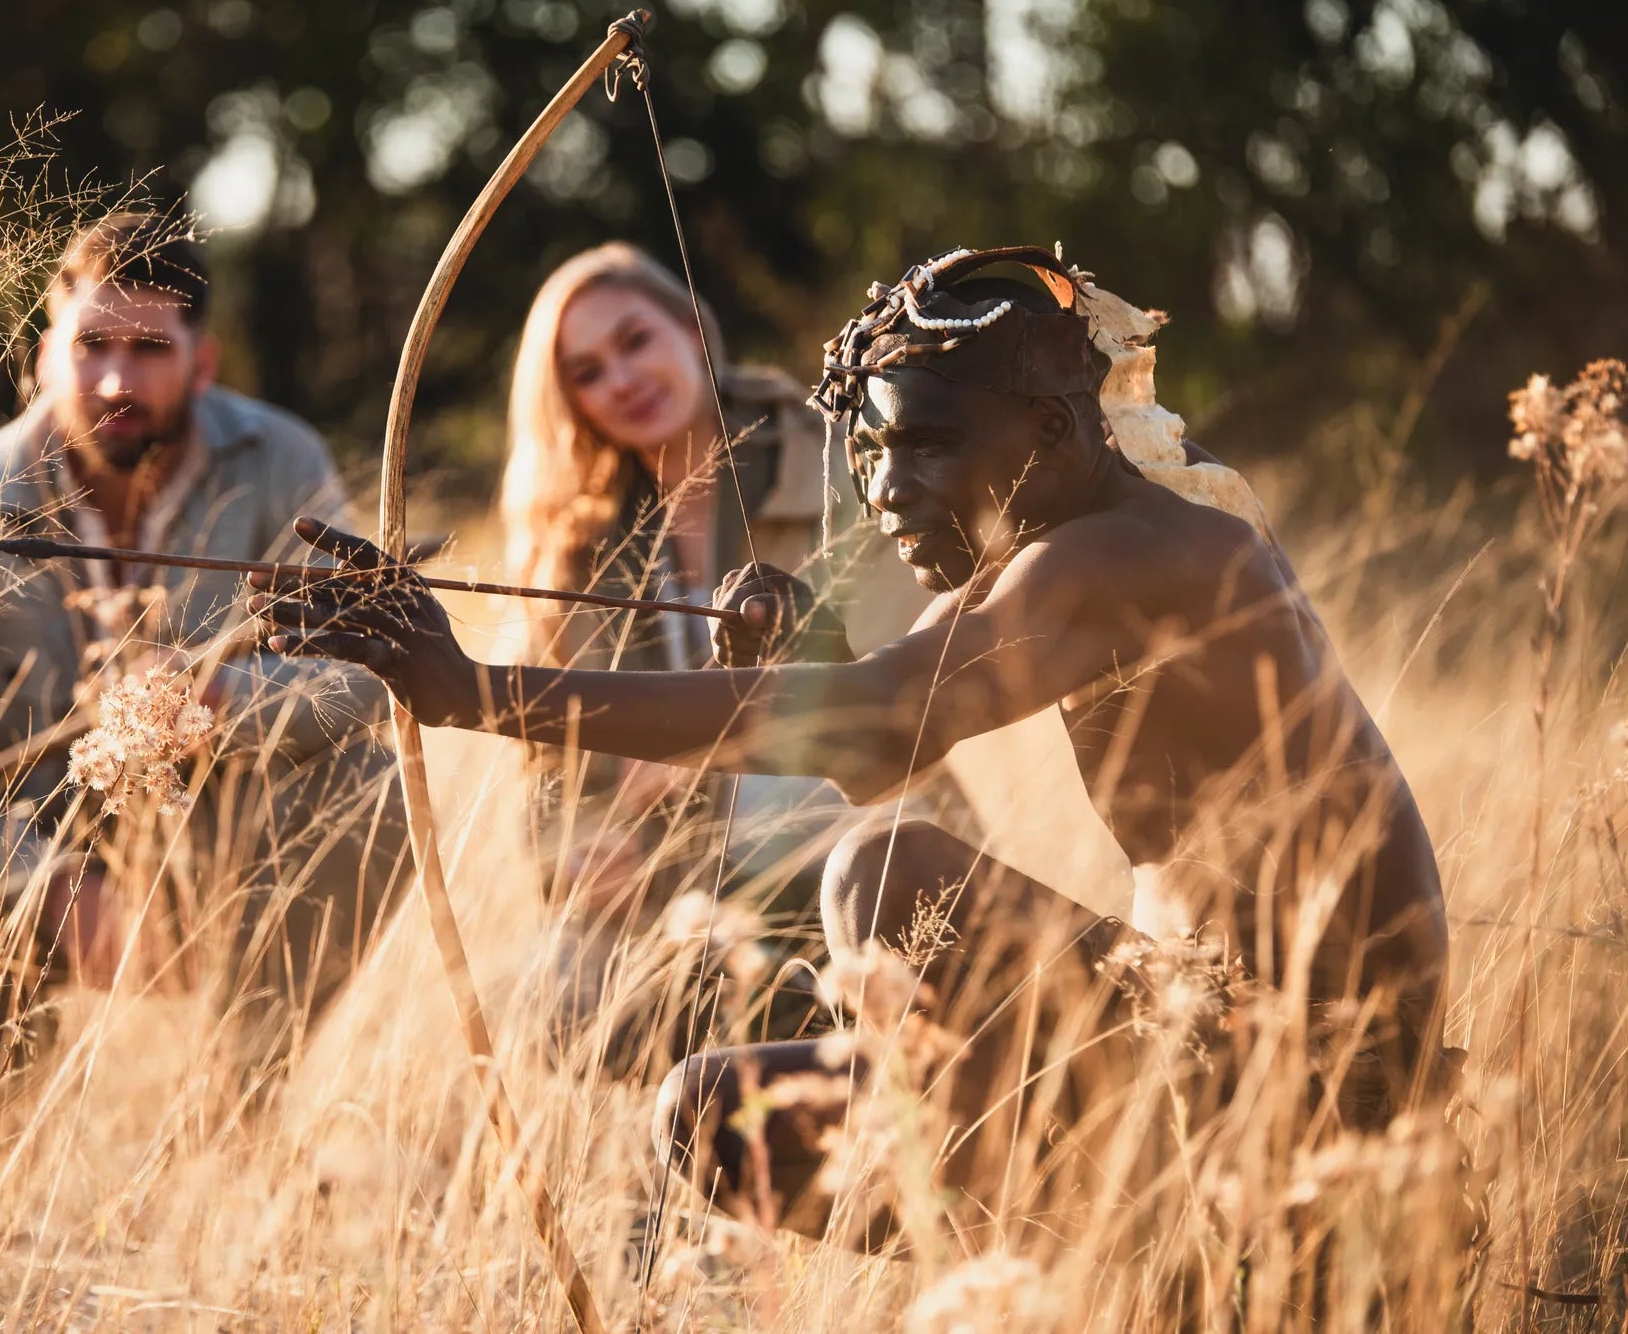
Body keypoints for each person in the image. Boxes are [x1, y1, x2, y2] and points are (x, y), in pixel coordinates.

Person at [245, 245, 1452, 1245]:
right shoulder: (1070, 533)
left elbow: (880, 720)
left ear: (1044, 429)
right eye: (873, 451)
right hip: (1193, 1038)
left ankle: (1169, 1264)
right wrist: (778, 665)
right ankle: (1120, 1275)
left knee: (876, 875)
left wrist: (469, 691)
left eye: (923, 446)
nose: (882, 492)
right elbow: (868, 738)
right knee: (712, 1108)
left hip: (1314, 1081)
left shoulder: (1130, 550)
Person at [0, 212, 406, 1037]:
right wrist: (42, 881)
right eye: (92, 345)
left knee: (370, 787)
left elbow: (364, 667)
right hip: (7, 851)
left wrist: (225, 698)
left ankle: (236, 1108)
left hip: (206, 834)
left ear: (202, 363)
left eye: (149, 351)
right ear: (45, 357)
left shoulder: (284, 461)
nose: (116, 382)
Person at [496, 242, 957, 1074]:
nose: (623, 379)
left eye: (636, 340)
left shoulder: (838, 460)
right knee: (552, 1001)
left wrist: (693, 747)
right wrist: (576, 849)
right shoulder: (577, 540)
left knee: (795, 895)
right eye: (588, 372)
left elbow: (896, 682)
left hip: (854, 828)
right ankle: (691, 1164)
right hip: (676, 879)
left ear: (690, 327)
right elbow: (543, 755)